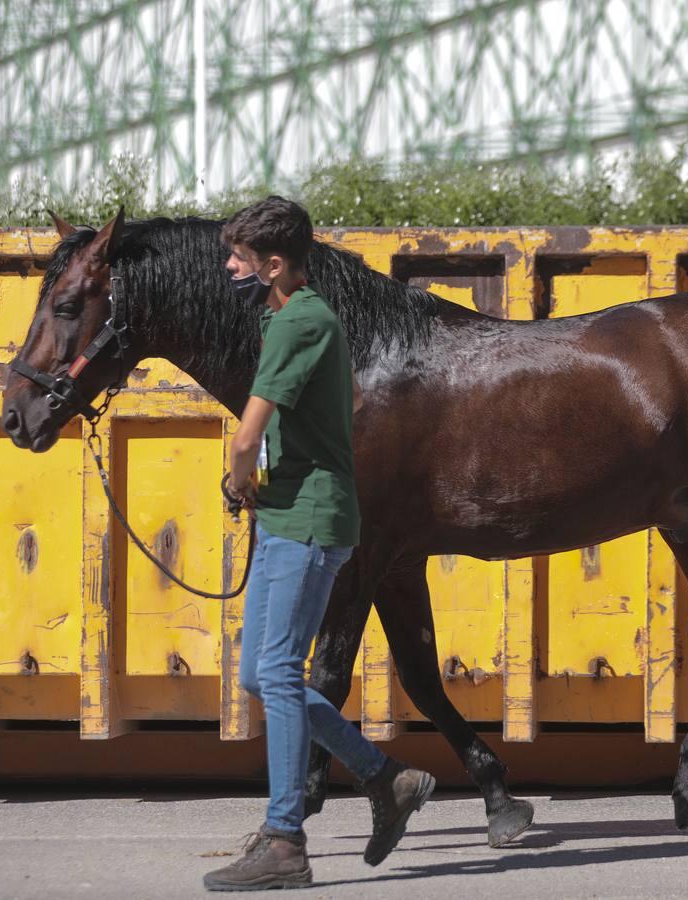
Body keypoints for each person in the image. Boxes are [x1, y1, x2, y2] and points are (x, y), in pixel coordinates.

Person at [204, 196, 436, 892]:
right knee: (258, 676)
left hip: (308, 521)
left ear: (274, 265)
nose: (229, 268)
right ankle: (383, 777)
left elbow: (247, 435)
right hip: (285, 516)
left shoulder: (302, 320)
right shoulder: (290, 317)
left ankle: (284, 841)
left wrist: (237, 477)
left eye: (239, 259)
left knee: (276, 673)